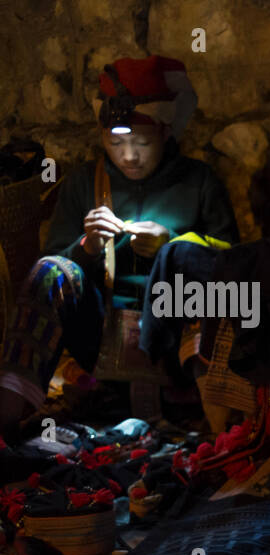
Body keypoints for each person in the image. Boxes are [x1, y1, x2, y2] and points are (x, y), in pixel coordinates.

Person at [0, 55, 238, 431]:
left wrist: (172, 246)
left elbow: (234, 265)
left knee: (194, 261)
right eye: (116, 142)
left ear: (165, 132)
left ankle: (202, 405)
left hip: (174, 337)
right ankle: (8, 410)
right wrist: (86, 248)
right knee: (50, 271)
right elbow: (52, 271)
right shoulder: (84, 183)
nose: (129, 155)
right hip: (102, 338)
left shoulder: (199, 181)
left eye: (142, 142)